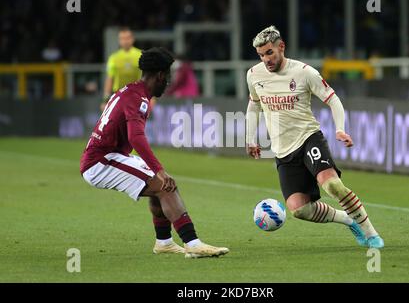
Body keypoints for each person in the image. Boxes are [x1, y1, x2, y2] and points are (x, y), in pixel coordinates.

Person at [81, 47, 229, 258]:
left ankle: (164, 242)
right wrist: (158, 169)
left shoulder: (131, 90)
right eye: (167, 76)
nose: (168, 81)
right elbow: (136, 137)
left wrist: (155, 171)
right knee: (164, 185)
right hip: (101, 162)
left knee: (160, 185)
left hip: (110, 156)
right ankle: (193, 244)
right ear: (160, 75)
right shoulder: (138, 99)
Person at [245, 26, 384, 248]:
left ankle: (371, 234)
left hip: (308, 138)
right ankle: (349, 219)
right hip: (283, 150)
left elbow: (333, 99)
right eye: (261, 55)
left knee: (332, 186)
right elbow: (254, 106)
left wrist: (340, 128)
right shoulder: (254, 75)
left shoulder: (304, 72)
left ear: (281, 47)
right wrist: (250, 138)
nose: (266, 60)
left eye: (269, 52)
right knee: (300, 210)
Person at [101, 27, 155, 111]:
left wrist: (152, 97)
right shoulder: (114, 58)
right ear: (119, 41)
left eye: (127, 38)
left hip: (137, 96)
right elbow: (110, 79)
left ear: (132, 39)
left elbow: (148, 77)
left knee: (136, 122)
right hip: (119, 96)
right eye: (122, 38)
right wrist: (105, 100)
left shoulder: (141, 55)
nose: (125, 41)